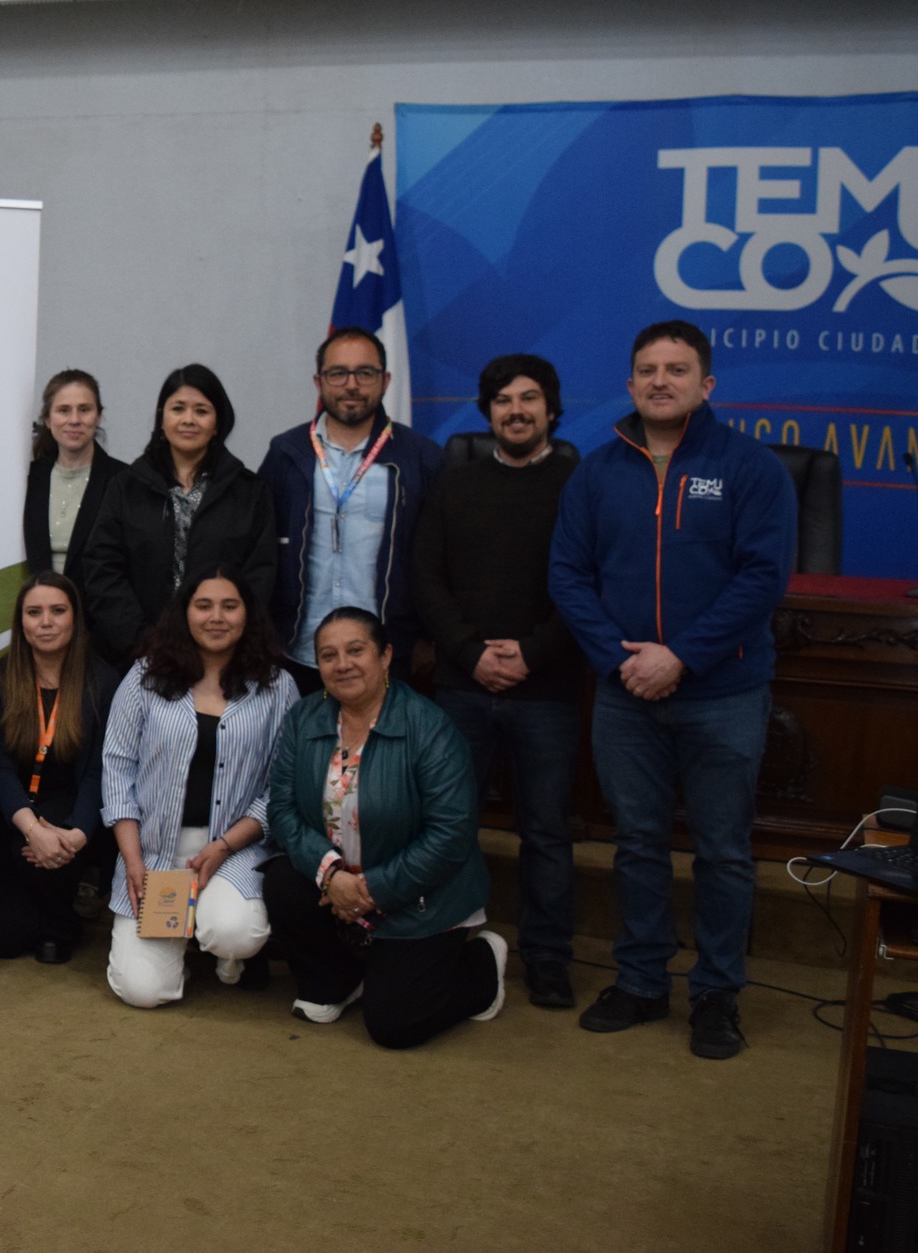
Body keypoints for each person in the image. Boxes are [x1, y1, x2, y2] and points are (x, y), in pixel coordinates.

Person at [549, 320, 796, 1060]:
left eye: (677, 369)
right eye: (648, 370)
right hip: (625, 694)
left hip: (724, 693)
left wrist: (681, 657)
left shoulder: (751, 467)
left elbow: (763, 577)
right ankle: (641, 980)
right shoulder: (596, 472)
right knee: (637, 845)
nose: (661, 381)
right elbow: (568, 575)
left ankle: (717, 994)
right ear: (629, 384)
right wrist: (620, 661)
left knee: (722, 852)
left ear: (706, 384)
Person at [413, 354, 583, 1010]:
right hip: (462, 686)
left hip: (548, 689)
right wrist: (471, 652)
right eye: (504, 400)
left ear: (551, 409)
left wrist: (531, 654)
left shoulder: (580, 485)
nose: (516, 410)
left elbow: (591, 583)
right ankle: (448, 940)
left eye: (529, 398)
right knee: (449, 825)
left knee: (547, 831)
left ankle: (549, 957)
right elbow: (427, 577)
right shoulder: (454, 485)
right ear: (487, 412)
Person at [263, 607, 507, 1048]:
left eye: (356, 650)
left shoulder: (429, 727)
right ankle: (337, 981)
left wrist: (372, 889)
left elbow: (451, 834)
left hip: (418, 895)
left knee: (395, 1025)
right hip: (338, 884)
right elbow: (282, 809)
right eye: (329, 656)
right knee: (281, 880)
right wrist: (331, 876)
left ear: (386, 655)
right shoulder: (304, 718)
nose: (343, 665)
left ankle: (483, 965)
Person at [103, 567, 296, 1007]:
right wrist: (133, 859)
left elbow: (281, 786)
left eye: (230, 606)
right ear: (184, 613)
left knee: (235, 932)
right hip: (154, 853)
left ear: (248, 614)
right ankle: (181, 944)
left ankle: (222, 944)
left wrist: (225, 846)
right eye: (203, 605)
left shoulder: (277, 686)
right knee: (142, 992)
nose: (217, 617)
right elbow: (117, 769)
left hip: (234, 850)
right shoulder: (145, 676)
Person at [259, 327, 444, 696]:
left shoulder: (421, 458)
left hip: (388, 653)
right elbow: (259, 546)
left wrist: (427, 636)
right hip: (298, 651)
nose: (351, 385)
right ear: (319, 381)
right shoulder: (287, 452)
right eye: (338, 373)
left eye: (365, 373)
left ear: (385, 380)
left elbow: (440, 556)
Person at [0, 573, 119, 965]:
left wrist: (76, 836)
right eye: (34, 613)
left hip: (69, 809)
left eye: (57, 611)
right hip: (7, 811)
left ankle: (59, 924)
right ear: (21, 622)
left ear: (75, 618)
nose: (46, 622)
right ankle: (37, 907)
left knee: (51, 855)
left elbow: (99, 772)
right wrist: (32, 829)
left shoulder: (102, 682)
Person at [79, 364, 276, 666]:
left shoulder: (249, 492)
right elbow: (102, 569)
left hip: (225, 659)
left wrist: (221, 641)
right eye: (178, 408)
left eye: (201, 411)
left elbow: (260, 576)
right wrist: (144, 643)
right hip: (138, 657)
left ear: (218, 423)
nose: (188, 420)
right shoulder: (126, 487)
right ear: (162, 419)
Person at [21, 370, 125, 586]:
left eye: (84, 410)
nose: (74, 420)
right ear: (47, 419)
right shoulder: (28, 479)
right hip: (40, 603)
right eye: (63, 410)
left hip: (99, 605)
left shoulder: (123, 480)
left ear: (98, 416)